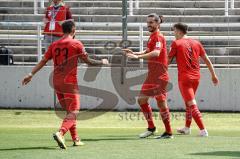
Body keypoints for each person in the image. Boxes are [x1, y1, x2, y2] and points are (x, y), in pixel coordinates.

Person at [22, 20, 109, 149]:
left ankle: (76, 138)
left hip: (56, 83)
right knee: (74, 111)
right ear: (73, 30)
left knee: (69, 112)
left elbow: (43, 61)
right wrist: (102, 61)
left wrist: (31, 74)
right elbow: (88, 61)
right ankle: (61, 133)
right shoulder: (76, 44)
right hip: (69, 83)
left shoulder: (54, 44)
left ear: (62, 31)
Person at [122, 13, 173, 139]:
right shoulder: (152, 37)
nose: (148, 24)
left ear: (157, 23)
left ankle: (168, 132)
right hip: (152, 76)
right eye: (147, 22)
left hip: (160, 76)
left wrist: (138, 57)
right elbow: (148, 51)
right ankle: (151, 128)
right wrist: (134, 53)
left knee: (161, 104)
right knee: (141, 100)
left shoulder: (159, 37)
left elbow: (156, 53)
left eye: (151, 22)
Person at [168, 23, 219, 137]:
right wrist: (213, 75)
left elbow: (168, 60)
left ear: (180, 32)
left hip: (185, 79)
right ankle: (187, 128)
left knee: (191, 104)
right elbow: (206, 59)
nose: (173, 33)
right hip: (196, 78)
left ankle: (203, 130)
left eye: (174, 31)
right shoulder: (196, 42)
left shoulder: (176, 43)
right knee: (188, 103)